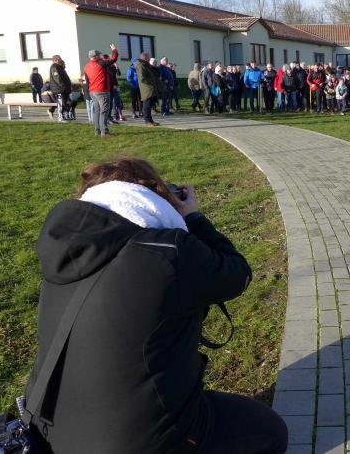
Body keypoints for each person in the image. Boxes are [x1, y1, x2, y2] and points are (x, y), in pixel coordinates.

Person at [25, 157, 288, 454]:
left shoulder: (64, 249)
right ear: (152, 196)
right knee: (269, 431)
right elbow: (237, 274)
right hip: (138, 442)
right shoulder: (168, 252)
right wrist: (193, 217)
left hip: (48, 432)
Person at [83, 45, 119, 137]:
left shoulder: (86, 66)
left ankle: (97, 131)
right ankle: (104, 132)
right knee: (104, 111)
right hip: (102, 91)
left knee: (97, 111)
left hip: (92, 91)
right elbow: (114, 59)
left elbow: (87, 80)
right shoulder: (101, 63)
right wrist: (114, 49)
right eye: (99, 54)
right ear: (95, 56)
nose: (101, 56)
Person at [135, 52, 161, 126]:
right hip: (146, 89)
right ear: (144, 57)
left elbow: (154, 73)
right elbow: (142, 78)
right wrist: (151, 83)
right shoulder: (140, 65)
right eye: (148, 57)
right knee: (147, 105)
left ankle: (151, 121)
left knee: (149, 105)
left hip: (150, 88)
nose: (149, 58)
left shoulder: (146, 65)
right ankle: (147, 121)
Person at [49, 55, 72, 122]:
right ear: (56, 60)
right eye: (60, 58)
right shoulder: (54, 67)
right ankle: (60, 117)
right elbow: (57, 78)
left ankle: (63, 116)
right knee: (61, 103)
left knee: (64, 103)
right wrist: (63, 86)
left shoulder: (60, 67)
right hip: (59, 89)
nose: (61, 59)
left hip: (64, 89)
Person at [105, 53, 123, 122]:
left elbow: (119, 74)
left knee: (118, 100)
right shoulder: (107, 67)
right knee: (112, 101)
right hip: (111, 86)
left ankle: (118, 115)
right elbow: (111, 76)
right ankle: (113, 115)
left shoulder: (113, 66)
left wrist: (117, 67)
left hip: (116, 85)